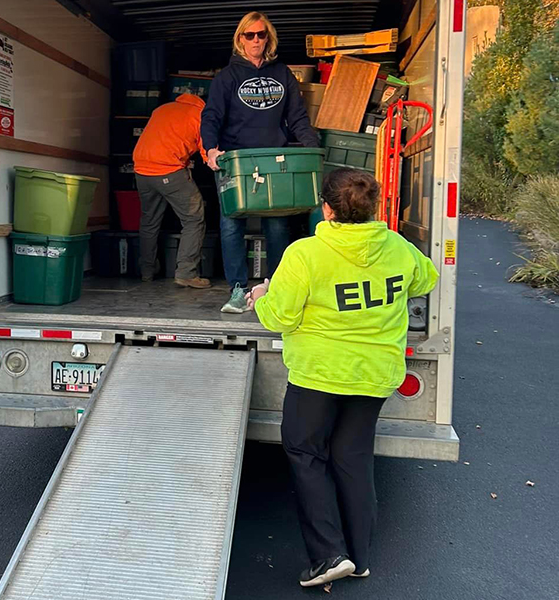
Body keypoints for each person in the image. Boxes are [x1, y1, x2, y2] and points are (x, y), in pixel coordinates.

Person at [247, 168, 439, 587]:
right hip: (374, 375)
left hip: (319, 374)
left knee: (304, 451)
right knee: (352, 459)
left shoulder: (305, 254)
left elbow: (280, 316)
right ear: (373, 207)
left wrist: (261, 296)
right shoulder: (397, 246)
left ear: (326, 209)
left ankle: (328, 556)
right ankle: (360, 556)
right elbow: (427, 278)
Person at [201, 11, 320, 313]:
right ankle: (238, 291)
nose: (255, 40)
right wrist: (211, 150)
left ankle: (276, 287)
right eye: (249, 35)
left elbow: (297, 117)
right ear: (240, 39)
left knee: (278, 226)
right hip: (235, 161)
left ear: (269, 38)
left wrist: (312, 149)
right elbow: (211, 116)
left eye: (261, 34)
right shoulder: (226, 77)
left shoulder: (283, 75)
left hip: (274, 162)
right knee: (231, 225)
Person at [133, 93, 211, 288]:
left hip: (141, 170)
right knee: (194, 218)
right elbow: (207, 150)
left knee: (149, 221)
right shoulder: (201, 114)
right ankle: (186, 273)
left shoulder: (162, 109)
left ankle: (147, 271)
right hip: (167, 169)